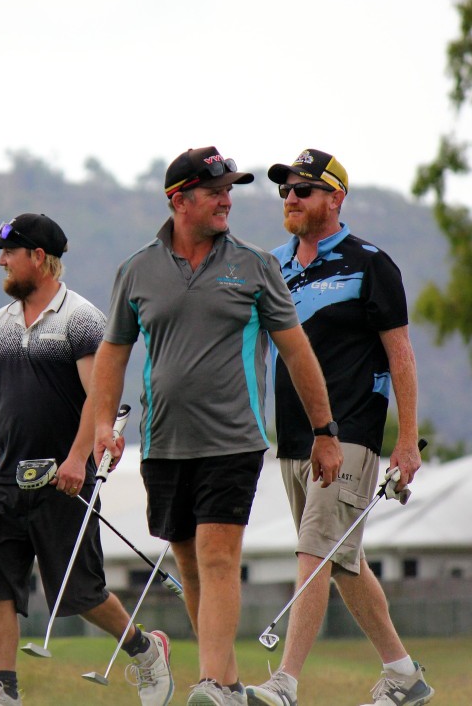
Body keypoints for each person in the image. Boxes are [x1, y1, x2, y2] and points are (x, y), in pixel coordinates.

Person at [90, 147, 342, 706]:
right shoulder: (136, 269)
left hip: (234, 440)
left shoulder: (255, 265)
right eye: (215, 190)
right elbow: (112, 355)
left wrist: (325, 431)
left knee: (218, 555)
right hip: (161, 442)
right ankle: (226, 685)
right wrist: (104, 425)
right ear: (180, 200)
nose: (228, 198)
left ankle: (208, 684)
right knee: (190, 563)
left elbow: (298, 353)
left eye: (231, 188)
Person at [0, 213, 173, 706]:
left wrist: (76, 459)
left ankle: (145, 649)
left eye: (9, 254)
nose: (1, 263)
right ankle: (4, 691)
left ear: (39, 259)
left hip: (64, 478)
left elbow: (99, 396)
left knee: (81, 595)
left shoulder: (81, 318)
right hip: (5, 478)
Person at [246, 149, 434, 706]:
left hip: (351, 431)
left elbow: (401, 355)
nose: (291, 198)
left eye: (303, 190)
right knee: (342, 559)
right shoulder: (272, 266)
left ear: (335, 198)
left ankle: (284, 684)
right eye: (285, 190)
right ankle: (403, 673)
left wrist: (405, 441)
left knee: (314, 550)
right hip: (293, 438)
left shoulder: (371, 263)